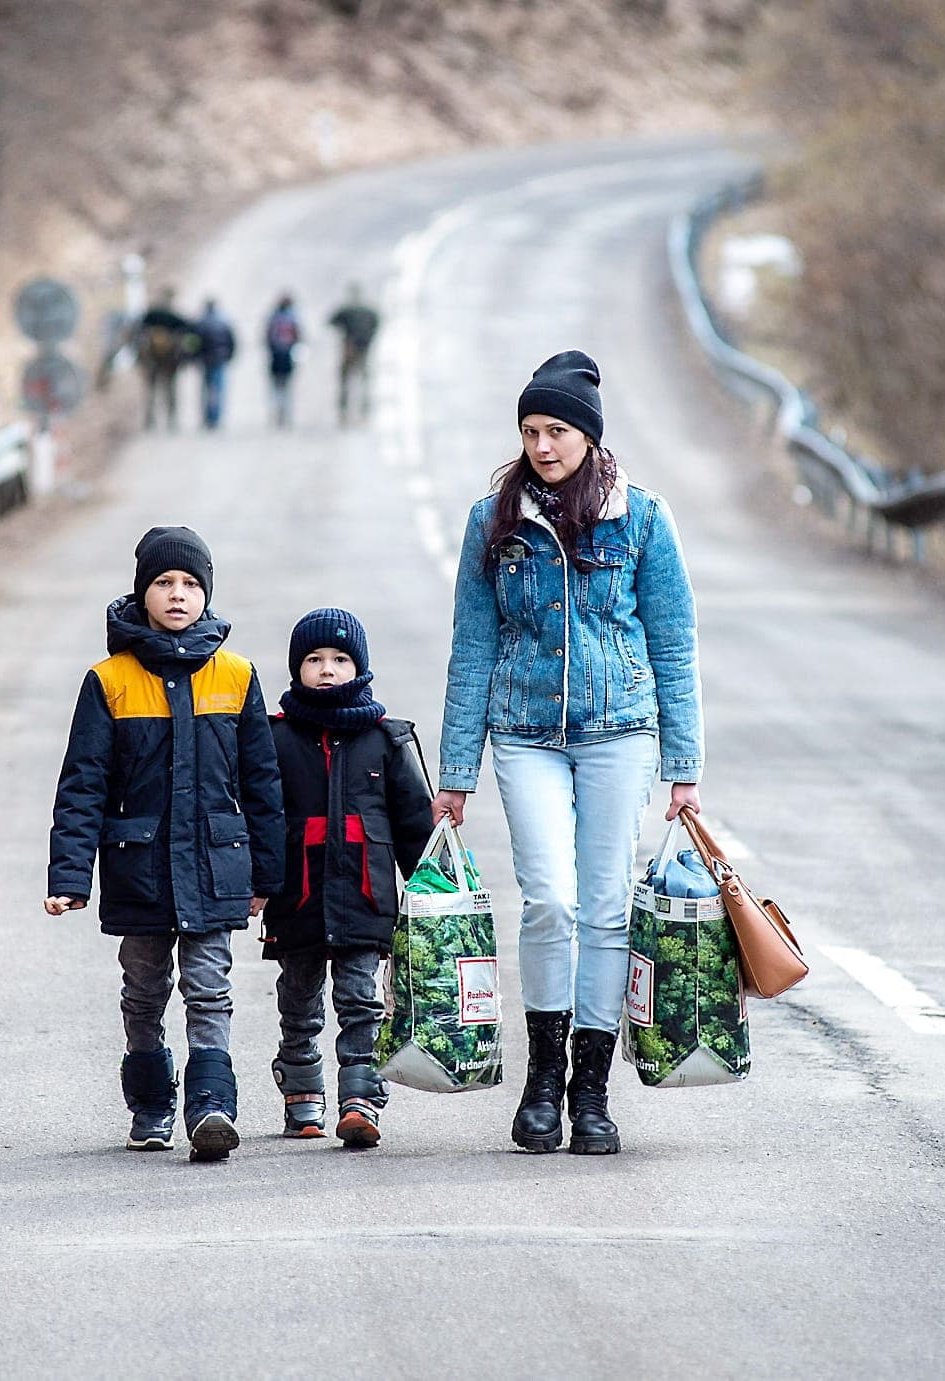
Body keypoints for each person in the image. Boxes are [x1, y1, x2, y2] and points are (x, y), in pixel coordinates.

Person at [432, 351, 703, 1158]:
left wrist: (684, 767)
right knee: (549, 899)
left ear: (588, 435)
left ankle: (591, 1092)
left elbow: (673, 642)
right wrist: (455, 774)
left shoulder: (642, 518)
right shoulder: (494, 521)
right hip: (525, 733)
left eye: (556, 430)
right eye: (530, 431)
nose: (542, 445)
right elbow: (472, 648)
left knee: (606, 906)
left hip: (620, 729)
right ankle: (542, 1082)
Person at [47, 526, 285, 1161]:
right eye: (163, 583)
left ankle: (212, 1107)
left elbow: (262, 783)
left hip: (215, 865)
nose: (178, 595)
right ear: (141, 592)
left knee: (210, 988)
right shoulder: (110, 681)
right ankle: (151, 1105)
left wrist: (268, 875)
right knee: (144, 989)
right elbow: (83, 785)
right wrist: (69, 877)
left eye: (190, 584)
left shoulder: (237, 676)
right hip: (141, 869)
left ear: (207, 593)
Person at [258, 609, 431, 1148]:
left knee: (361, 1001)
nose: (327, 669)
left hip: (365, 897)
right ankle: (301, 1092)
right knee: (298, 1002)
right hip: (297, 898)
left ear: (360, 667)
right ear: (297, 668)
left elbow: (414, 825)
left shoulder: (386, 739)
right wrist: (255, 883)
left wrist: (432, 891)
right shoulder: (274, 738)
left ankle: (361, 1099)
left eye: (340, 659)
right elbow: (258, 818)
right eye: (314, 660)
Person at [137, 289, 195, 430]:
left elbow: (138, 331)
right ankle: (172, 420)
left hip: (152, 362)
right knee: (171, 391)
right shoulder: (174, 317)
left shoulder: (150, 316)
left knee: (152, 391)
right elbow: (190, 329)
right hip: (170, 362)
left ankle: (150, 421)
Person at [328, 284, 381, 427]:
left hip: (349, 348)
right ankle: (365, 411)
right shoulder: (369, 311)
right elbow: (377, 322)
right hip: (364, 349)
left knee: (345, 380)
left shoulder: (346, 310)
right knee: (364, 380)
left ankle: (344, 411)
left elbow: (331, 322)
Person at [194, 298, 236, 430]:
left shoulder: (201, 323)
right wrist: (229, 356)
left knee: (206, 390)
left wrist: (195, 357)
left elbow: (194, 343)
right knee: (218, 390)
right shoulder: (223, 322)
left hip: (205, 361)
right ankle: (215, 417)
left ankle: (207, 417)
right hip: (219, 360)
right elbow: (231, 341)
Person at [264, 293, 303, 428]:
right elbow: (299, 338)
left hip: (276, 356)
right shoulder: (293, 318)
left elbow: (267, 338)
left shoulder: (273, 318)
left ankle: (277, 413)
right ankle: (286, 414)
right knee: (287, 387)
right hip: (287, 356)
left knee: (276, 387)